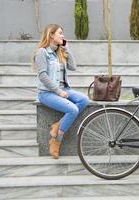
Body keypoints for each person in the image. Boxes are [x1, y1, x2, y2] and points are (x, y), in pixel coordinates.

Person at [32, 24, 89, 159]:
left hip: (65, 88)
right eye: (60, 33)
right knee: (73, 110)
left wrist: (67, 49)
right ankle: (56, 140)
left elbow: (73, 67)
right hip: (47, 93)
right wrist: (58, 92)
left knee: (84, 100)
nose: (63, 36)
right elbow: (42, 76)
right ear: (51, 35)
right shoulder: (42, 52)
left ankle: (57, 126)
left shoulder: (60, 52)